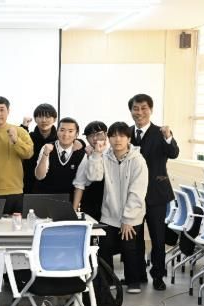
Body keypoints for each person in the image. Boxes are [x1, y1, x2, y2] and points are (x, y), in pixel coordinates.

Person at [87, 122, 148, 294]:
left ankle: (133, 281)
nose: (117, 139)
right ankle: (109, 280)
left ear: (129, 138)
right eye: (113, 136)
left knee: (129, 247)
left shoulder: (138, 160)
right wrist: (96, 154)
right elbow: (94, 176)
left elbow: (137, 192)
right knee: (105, 247)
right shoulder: (105, 157)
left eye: (121, 135)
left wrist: (128, 219)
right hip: (109, 212)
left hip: (132, 214)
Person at [128, 93, 180, 291]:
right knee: (135, 238)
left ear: (151, 110)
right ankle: (138, 274)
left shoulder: (161, 132)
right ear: (131, 111)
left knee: (158, 238)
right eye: (135, 108)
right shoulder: (126, 133)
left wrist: (168, 137)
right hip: (133, 194)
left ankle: (158, 276)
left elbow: (173, 153)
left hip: (156, 194)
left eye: (144, 108)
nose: (139, 112)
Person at [33, 117, 86, 199]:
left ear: (76, 134)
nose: (65, 134)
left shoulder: (81, 153)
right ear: (57, 132)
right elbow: (39, 176)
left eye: (70, 131)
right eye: (62, 130)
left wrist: (74, 207)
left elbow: (80, 184)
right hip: (43, 196)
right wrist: (45, 154)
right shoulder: (47, 147)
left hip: (67, 199)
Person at [72, 121, 108, 221]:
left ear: (106, 134)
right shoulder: (85, 155)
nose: (95, 138)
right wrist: (74, 210)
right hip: (91, 201)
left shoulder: (113, 152)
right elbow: (80, 184)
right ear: (87, 139)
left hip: (111, 202)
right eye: (91, 136)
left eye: (98, 134)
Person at [22, 103, 57, 194]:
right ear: (35, 119)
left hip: (53, 187)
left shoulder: (59, 139)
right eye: (40, 117)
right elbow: (18, 142)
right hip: (30, 186)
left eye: (48, 117)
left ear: (55, 119)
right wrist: (24, 126)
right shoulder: (30, 137)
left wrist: (80, 142)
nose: (44, 120)